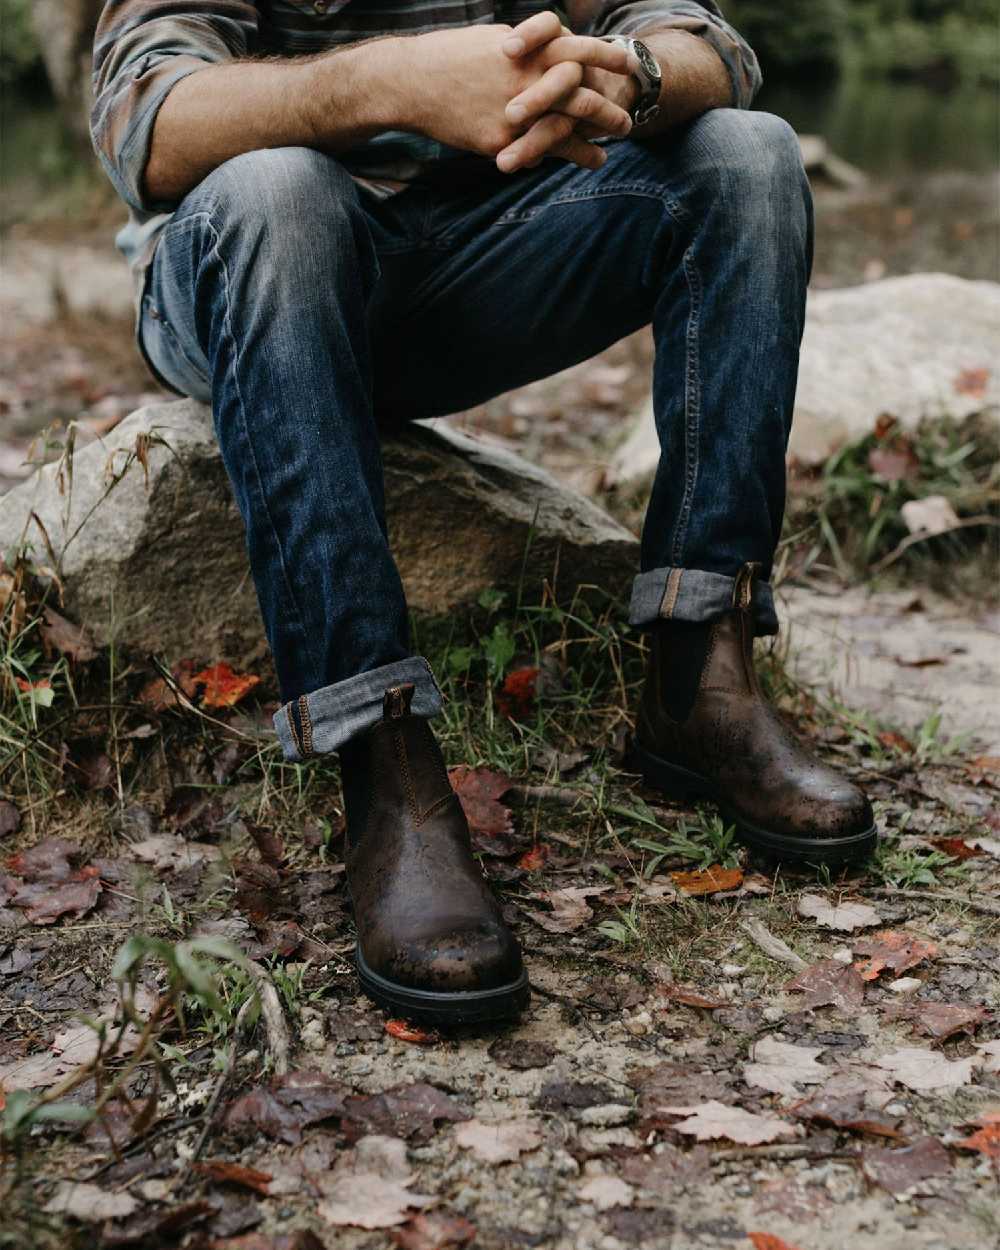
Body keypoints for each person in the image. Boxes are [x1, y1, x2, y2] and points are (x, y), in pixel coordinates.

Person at [90, 1, 875, 1025]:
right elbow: (147, 126)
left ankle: (699, 672)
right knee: (276, 189)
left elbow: (709, 46)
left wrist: (623, 74)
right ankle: (383, 763)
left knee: (747, 154)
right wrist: (398, 83)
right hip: (249, 267)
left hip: (483, 254)